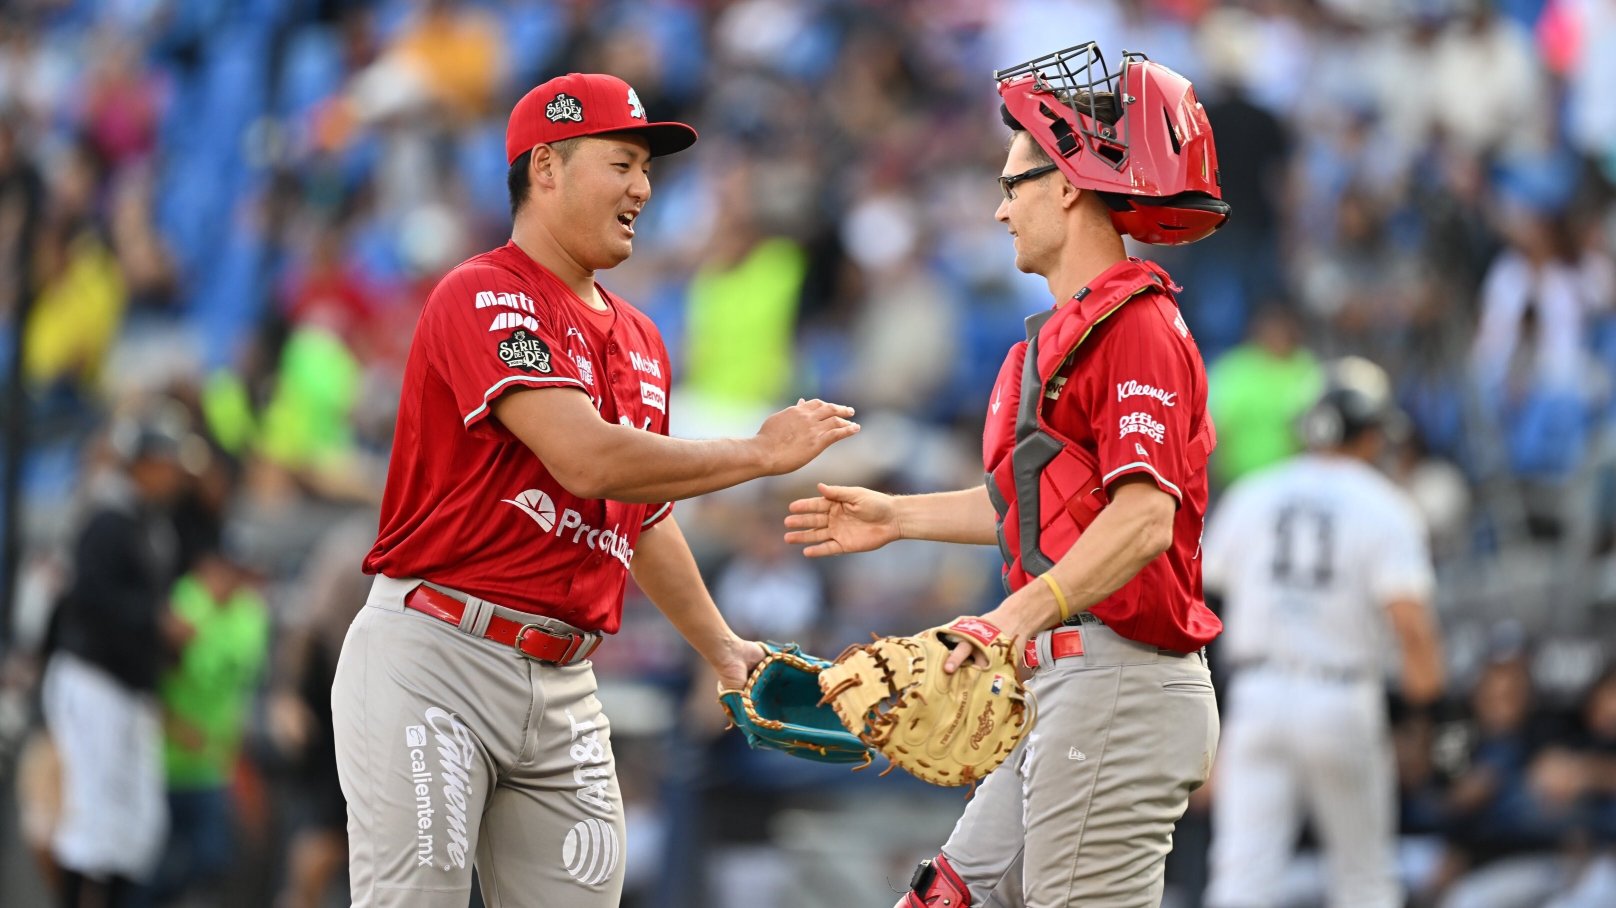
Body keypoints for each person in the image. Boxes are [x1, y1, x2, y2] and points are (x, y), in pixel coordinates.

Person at [330, 71, 859, 908]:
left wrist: (722, 649)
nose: (643, 188)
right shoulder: (486, 293)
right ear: (547, 168)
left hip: (567, 681)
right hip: (439, 654)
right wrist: (759, 454)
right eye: (622, 162)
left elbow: (638, 516)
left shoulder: (644, 338)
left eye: (647, 169)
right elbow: (588, 460)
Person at [786, 43, 1227, 907]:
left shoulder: (1138, 325)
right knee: (945, 898)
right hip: (1067, 676)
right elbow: (1044, 509)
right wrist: (899, 517)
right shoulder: (1060, 334)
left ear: (1067, 183)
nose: (999, 211)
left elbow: (1144, 522)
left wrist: (1006, 620)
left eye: (1012, 184)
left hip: (1120, 680)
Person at [1201, 357, 1446, 908]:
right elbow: (1413, 629)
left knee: (1241, 878)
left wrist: (1208, 725)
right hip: (1341, 697)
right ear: (1372, 432)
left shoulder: (1253, 492)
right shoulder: (1387, 505)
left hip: (1256, 696)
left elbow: (1204, 610)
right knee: (1363, 879)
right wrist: (1426, 722)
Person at [42, 400, 207, 907]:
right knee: (91, 817)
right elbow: (86, 598)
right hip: (93, 678)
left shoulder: (154, 523)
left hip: (128, 685)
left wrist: (163, 646)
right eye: (167, 462)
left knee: (136, 825)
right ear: (143, 461)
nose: (175, 474)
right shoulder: (109, 516)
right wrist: (152, 620)